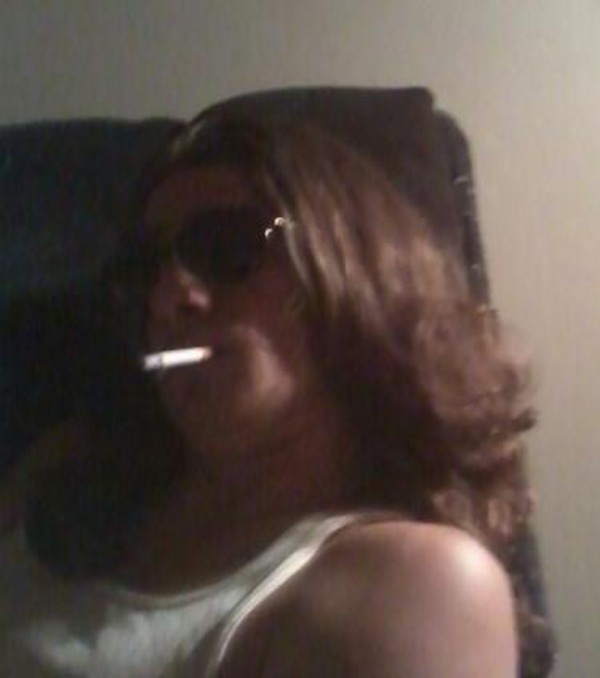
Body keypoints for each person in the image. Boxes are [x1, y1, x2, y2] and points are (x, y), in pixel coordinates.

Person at [0, 113, 549, 677]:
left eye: (225, 248)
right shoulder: (67, 475)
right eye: (143, 273)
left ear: (347, 266)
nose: (168, 300)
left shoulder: (416, 583)